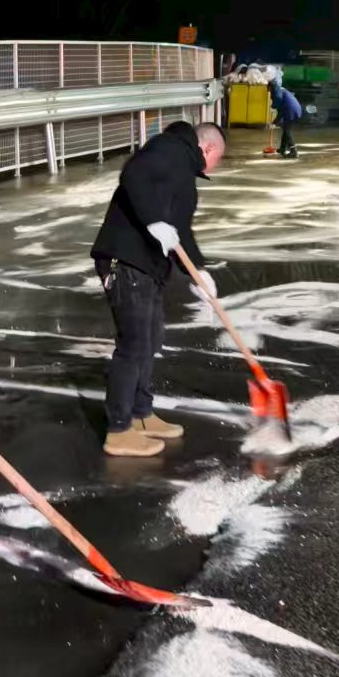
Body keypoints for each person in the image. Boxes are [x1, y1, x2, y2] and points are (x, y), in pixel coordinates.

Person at [89, 121, 226, 457]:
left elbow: (180, 232)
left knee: (151, 338)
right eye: (218, 158)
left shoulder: (182, 174)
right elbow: (134, 174)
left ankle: (141, 413)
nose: (216, 165)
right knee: (134, 344)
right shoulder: (171, 148)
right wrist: (153, 220)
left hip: (146, 268)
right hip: (125, 262)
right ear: (208, 148)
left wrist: (198, 273)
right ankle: (119, 429)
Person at [270, 80, 303, 159]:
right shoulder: (281, 90)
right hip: (294, 110)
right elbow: (280, 109)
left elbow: (280, 110)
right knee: (285, 130)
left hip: (291, 111)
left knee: (288, 131)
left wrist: (274, 123)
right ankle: (282, 149)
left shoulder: (278, 93)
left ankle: (294, 152)